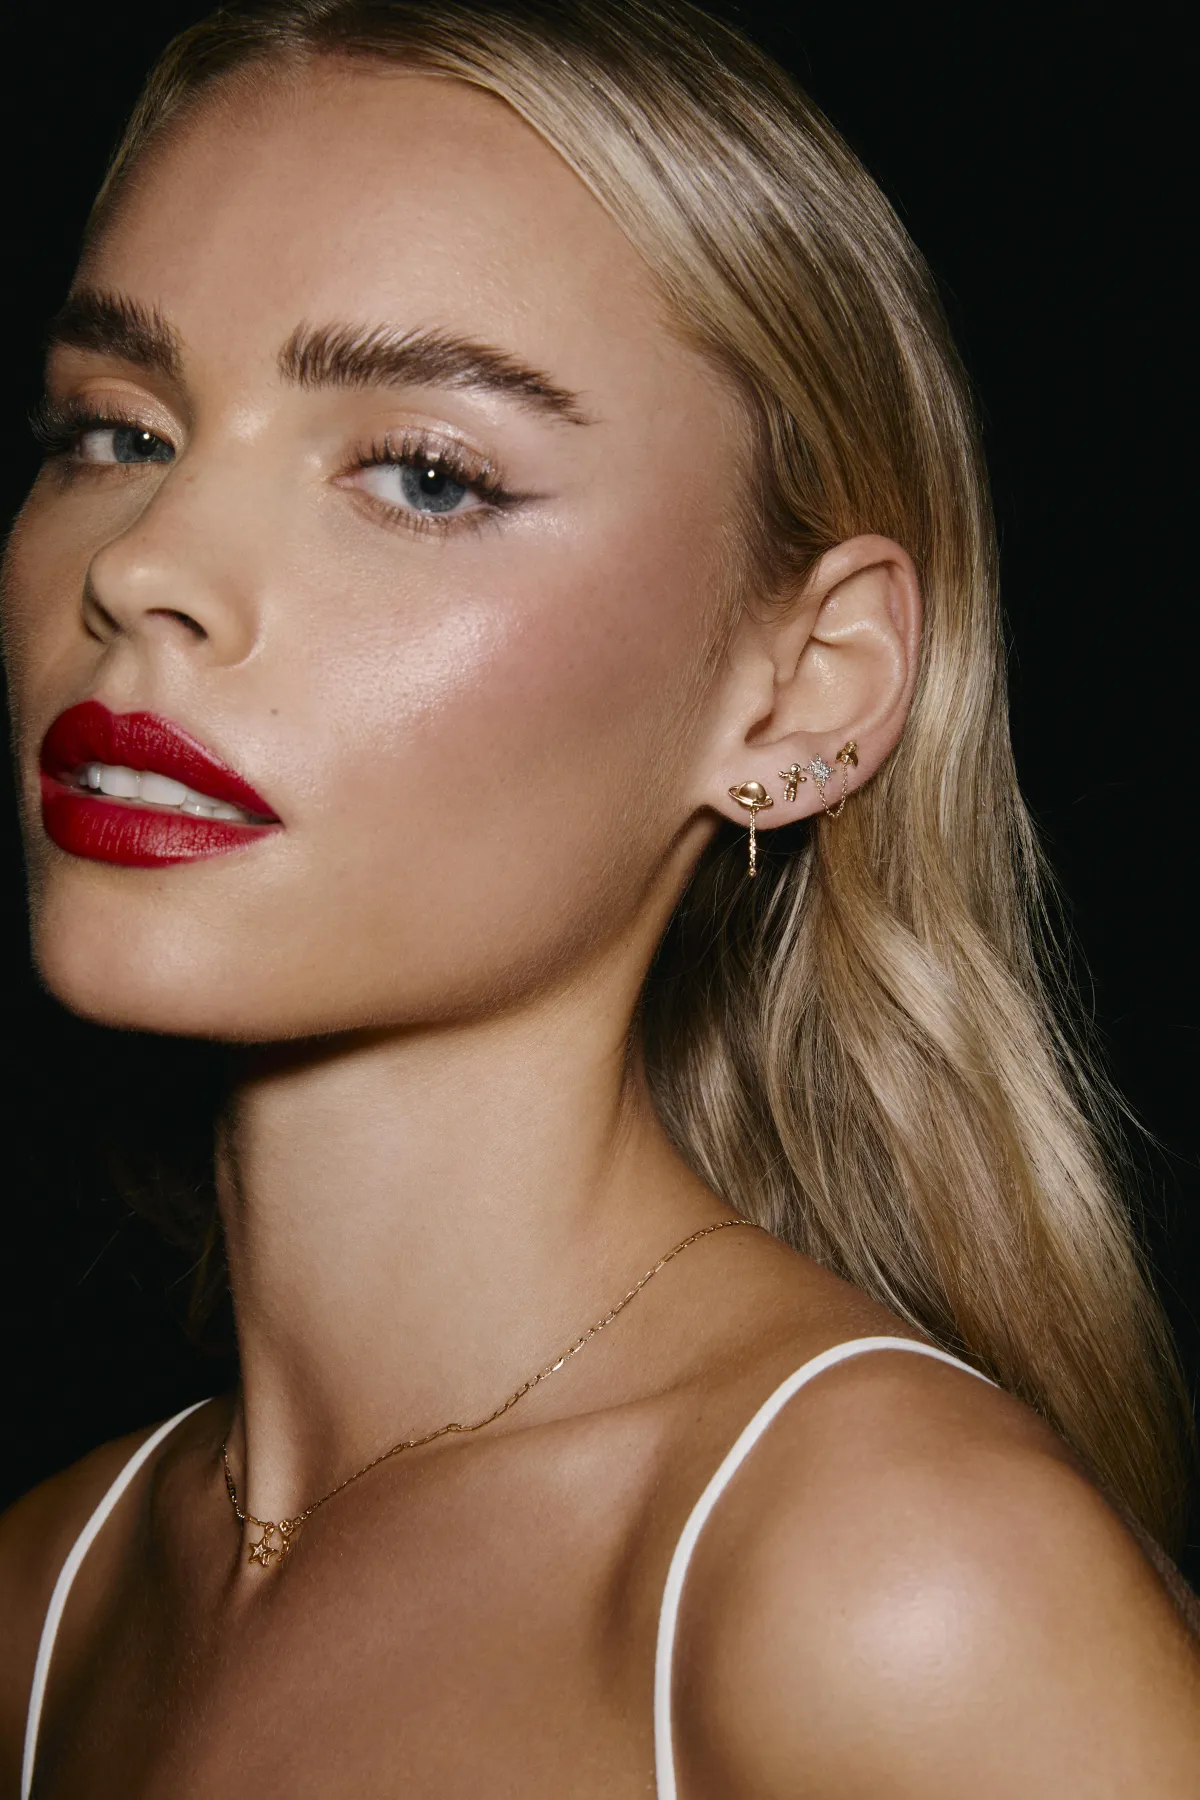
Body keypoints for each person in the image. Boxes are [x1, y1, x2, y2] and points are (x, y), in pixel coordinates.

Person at [1, 2, 1196, 1793]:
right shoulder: (48, 1600)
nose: (149, 571)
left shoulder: (890, 1584)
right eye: (117, 431)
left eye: (423, 474)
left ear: (803, 690)